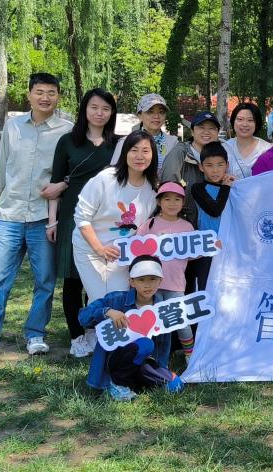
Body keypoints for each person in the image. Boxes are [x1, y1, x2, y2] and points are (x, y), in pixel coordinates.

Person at [0, 73, 72, 367]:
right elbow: (0, 168)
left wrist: (62, 185)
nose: (45, 97)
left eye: (51, 92)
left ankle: (36, 334)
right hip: (9, 216)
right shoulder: (13, 126)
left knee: (45, 281)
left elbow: (75, 171)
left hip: (43, 217)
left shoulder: (67, 130)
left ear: (58, 96)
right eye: (39, 92)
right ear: (29, 94)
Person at [46, 88, 118, 359]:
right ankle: (76, 336)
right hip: (72, 217)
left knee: (99, 278)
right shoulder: (67, 142)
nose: (100, 113)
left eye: (106, 109)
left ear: (112, 113)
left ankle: (93, 330)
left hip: (105, 219)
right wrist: (52, 222)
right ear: (84, 110)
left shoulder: (117, 144)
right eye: (94, 107)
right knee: (73, 280)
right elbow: (56, 184)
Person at [78, 256, 183, 401]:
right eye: (141, 279)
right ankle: (116, 383)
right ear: (131, 281)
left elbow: (164, 345)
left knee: (175, 386)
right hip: (116, 360)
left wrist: (160, 369)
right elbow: (83, 317)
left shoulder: (163, 308)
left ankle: (133, 383)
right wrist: (107, 312)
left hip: (144, 362)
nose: (147, 285)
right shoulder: (116, 299)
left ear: (160, 281)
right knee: (145, 344)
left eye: (153, 279)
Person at [73, 130, 159, 303]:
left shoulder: (152, 189)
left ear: (153, 155)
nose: (140, 156)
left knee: (119, 300)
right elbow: (82, 217)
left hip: (120, 254)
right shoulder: (106, 179)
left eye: (145, 151)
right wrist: (99, 248)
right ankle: (93, 321)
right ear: (125, 152)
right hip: (90, 248)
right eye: (134, 150)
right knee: (100, 300)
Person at [138, 182, 196, 363]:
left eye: (177, 199)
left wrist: (210, 246)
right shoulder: (149, 225)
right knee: (150, 321)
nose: (172, 203)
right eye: (167, 199)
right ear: (159, 202)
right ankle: (148, 355)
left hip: (175, 284)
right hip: (150, 285)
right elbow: (136, 250)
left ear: (183, 202)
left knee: (181, 321)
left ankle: (190, 356)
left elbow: (193, 253)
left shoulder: (187, 227)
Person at [161, 110, 223, 220]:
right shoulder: (179, 153)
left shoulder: (224, 153)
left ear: (218, 132)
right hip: (186, 222)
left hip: (215, 222)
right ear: (192, 131)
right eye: (201, 127)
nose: (206, 132)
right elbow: (168, 190)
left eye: (212, 128)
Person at [187, 142, 231, 294]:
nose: (215, 170)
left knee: (228, 288)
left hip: (229, 247)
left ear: (227, 165)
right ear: (201, 167)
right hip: (206, 247)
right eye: (209, 165)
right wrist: (226, 187)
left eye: (220, 165)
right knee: (205, 288)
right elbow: (215, 210)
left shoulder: (234, 187)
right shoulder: (197, 188)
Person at [111, 93, 178, 174]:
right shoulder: (125, 142)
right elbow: (114, 173)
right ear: (139, 116)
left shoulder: (173, 143)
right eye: (150, 112)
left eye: (161, 112)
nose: (156, 116)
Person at [223, 102, 270, 180]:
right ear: (233, 121)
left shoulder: (266, 149)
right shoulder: (224, 148)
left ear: (256, 124)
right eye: (240, 119)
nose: (245, 124)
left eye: (250, 120)